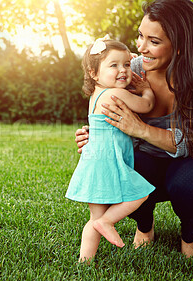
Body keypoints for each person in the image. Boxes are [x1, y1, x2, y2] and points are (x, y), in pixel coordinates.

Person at [75, 0, 193, 258]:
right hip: (145, 160)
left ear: (180, 46)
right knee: (115, 165)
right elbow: (108, 109)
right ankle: (144, 227)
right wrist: (96, 138)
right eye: (140, 36)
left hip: (190, 161)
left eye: (153, 41)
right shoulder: (133, 69)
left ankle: (190, 237)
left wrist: (141, 129)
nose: (141, 47)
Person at [66, 37, 157, 262]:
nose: (123, 70)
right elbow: (146, 106)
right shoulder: (115, 94)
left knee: (94, 218)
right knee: (141, 193)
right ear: (94, 73)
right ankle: (108, 221)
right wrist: (146, 90)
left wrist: (123, 61)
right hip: (108, 162)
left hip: (94, 161)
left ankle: (85, 262)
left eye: (126, 64)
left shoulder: (97, 93)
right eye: (113, 65)